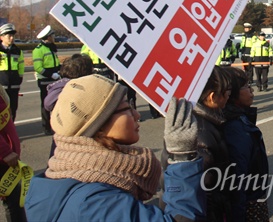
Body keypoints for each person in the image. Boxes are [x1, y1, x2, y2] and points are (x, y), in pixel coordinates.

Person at [25, 74, 206, 221]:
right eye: (127, 109)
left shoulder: (61, 175)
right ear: (99, 124)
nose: (136, 115)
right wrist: (182, 159)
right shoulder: (96, 203)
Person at [183, 66, 232, 221]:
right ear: (212, 97)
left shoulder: (203, 119)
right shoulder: (201, 132)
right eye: (227, 95)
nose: (228, 99)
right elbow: (204, 190)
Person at [222, 67, 269, 222]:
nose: (251, 89)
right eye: (245, 86)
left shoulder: (240, 119)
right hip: (249, 203)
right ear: (231, 93)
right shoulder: (235, 128)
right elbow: (238, 182)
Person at [0, 86, 26, 222]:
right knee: (13, 203)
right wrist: (4, 151)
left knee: (15, 202)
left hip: (7, 156)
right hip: (3, 158)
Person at [32, 25, 61, 135]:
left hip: (55, 79)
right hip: (45, 80)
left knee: (55, 104)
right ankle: (46, 126)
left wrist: (59, 70)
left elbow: (55, 62)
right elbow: (38, 67)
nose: (53, 36)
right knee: (45, 104)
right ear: (47, 37)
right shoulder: (38, 50)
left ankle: (55, 125)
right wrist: (51, 75)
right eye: (52, 35)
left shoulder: (52, 47)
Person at [0, 24, 24, 120]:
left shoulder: (17, 51)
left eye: (13, 36)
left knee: (13, 109)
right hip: (1, 88)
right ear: (1, 37)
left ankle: (11, 130)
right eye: (9, 36)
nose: (11, 38)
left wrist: (19, 78)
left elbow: (21, 66)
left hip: (14, 86)